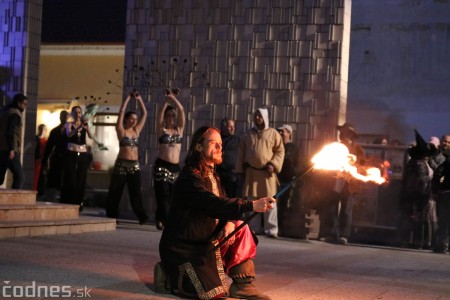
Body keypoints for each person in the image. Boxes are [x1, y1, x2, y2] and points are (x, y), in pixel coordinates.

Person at [157, 126, 274, 300]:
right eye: (214, 144)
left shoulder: (214, 175)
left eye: (220, 144)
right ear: (198, 147)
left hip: (209, 239)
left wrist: (228, 222)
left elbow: (224, 204)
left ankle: (243, 285)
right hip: (186, 247)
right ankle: (165, 272)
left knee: (239, 226)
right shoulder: (190, 177)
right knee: (213, 293)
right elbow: (211, 203)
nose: (220, 148)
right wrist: (251, 205)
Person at [235, 108, 284, 238]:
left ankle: (271, 229)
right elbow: (241, 153)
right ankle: (254, 228)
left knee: (270, 201)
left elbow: (280, 151)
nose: (257, 118)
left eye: (259, 116)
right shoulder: (247, 134)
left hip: (267, 174)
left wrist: (273, 164)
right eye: (255, 116)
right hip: (252, 173)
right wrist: (239, 170)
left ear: (265, 117)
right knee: (253, 201)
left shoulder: (273, 134)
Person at [318, 122, 366, 245]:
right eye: (340, 132)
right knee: (331, 209)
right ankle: (330, 234)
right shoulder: (335, 147)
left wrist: (352, 164)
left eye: (343, 132)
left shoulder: (357, 149)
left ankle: (344, 235)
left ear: (350, 134)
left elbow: (362, 167)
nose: (341, 134)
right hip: (334, 182)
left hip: (349, 185)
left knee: (346, 210)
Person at [105, 91, 149, 224]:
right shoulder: (121, 130)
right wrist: (128, 98)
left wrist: (139, 98)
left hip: (134, 165)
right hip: (122, 164)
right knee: (116, 191)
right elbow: (122, 111)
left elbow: (145, 114)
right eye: (132, 118)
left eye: (136, 119)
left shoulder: (136, 131)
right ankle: (112, 215)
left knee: (135, 192)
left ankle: (142, 217)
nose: (135, 121)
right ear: (126, 120)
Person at [398, 130, 438, 249]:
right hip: (418, 194)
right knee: (417, 219)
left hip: (421, 194)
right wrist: (433, 179)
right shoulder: (418, 163)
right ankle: (416, 242)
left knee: (420, 219)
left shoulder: (424, 162)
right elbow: (421, 179)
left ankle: (419, 242)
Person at [153, 88, 185, 230]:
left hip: (175, 167)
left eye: (173, 115)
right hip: (162, 165)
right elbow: (159, 114)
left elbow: (182, 111)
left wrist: (174, 98)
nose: (171, 118)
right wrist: (167, 100)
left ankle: (161, 218)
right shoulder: (162, 130)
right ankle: (165, 221)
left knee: (172, 196)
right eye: (169, 115)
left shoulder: (179, 130)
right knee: (162, 194)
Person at [60, 106, 93, 209]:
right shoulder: (69, 124)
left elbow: (91, 137)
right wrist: (78, 127)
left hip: (82, 152)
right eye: (75, 112)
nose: (77, 114)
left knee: (81, 177)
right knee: (70, 176)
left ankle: (78, 202)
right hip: (72, 152)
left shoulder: (84, 124)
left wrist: (87, 128)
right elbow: (69, 134)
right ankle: (68, 200)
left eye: (79, 112)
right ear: (72, 114)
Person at [0, 93, 28, 189]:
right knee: (20, 176)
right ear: (18, 103)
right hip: (9, 149)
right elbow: (10, 132)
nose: (25, 106)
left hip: (2, 149)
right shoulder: (14, 114)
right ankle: (14, 200)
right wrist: (11, 149)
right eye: (24, 104)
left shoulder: (5, 112)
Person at [41, 110, 69, 201]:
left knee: (64, 179)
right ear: (60, 118)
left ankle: (63, 199)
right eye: (62, 116)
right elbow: (49, 147)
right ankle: (50, 198)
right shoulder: (55, 131)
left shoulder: (71, 131)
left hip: (67, 158)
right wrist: (44, 160)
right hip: (57, 157)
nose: (63, 118)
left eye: (65, 116)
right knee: (53, 179)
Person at [277, 124, 299, 236]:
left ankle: (282, 228)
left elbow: (298, 163)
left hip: (287, 181)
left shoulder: (293, 148)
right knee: (273, 204)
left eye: (283, 132)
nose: (280, 134)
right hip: (275, 180)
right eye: (279, 132)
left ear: (289, 133)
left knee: (284, 205)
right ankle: (273, 226)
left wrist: (293, 173)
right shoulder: (276, 146)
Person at [432, 134, 450, 254]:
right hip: (446, 193)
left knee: (443, 221)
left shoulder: (447, 160)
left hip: (446, 193)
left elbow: (438, 174)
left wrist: (436, 189)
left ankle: (442, 245)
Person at [217, 117, 240, 198]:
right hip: (218, 173)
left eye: (233, 126)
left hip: (232, 174)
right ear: (224, 127)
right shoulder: (217, 139)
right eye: (230, 127)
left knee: (230, 198)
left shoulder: (237, 140)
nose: (232, 129)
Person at [33, 124, 48, 195]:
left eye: (44, 129)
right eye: (41, 129)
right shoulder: (34, 139)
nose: (42, 131)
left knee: (41, 179)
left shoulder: (45, 141)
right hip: (34, 162)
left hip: (41, 163)